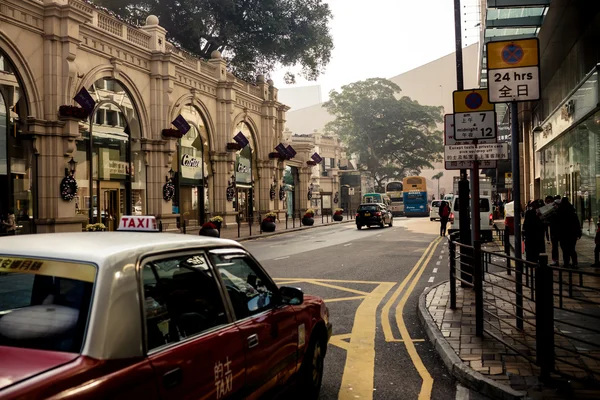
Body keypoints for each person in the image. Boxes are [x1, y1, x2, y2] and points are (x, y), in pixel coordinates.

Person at [557, 197, 581, 268]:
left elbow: (558, 224)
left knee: (564, 249)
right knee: (572, 248)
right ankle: (574, 262)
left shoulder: (560, 211)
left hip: (563, 234)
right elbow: (577, 223)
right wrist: (578, 233)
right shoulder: (572, 212)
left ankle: (566, 262)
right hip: (572, 234)